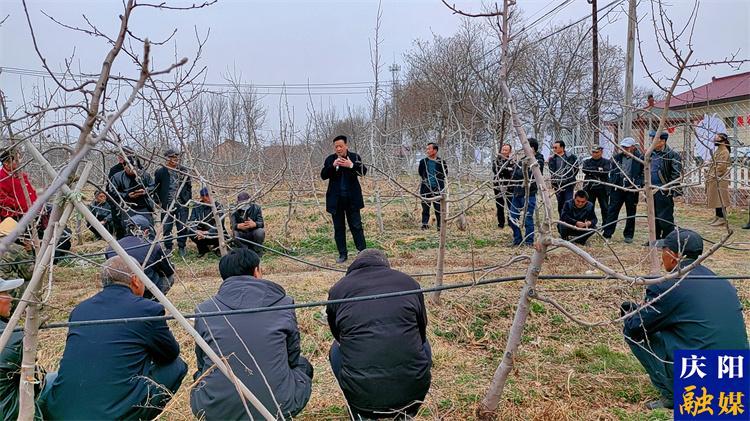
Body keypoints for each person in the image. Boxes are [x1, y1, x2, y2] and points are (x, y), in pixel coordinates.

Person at [41, 255, 188, 420]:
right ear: (135, 280)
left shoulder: (80, 310)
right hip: (111, 414)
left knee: (53, 377)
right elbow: (170, 353)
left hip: (61, 411)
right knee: (177, 366)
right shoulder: (147, 310)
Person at [621, 229, 749, 410]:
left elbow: (636, 326)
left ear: (674, 256)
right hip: (736, 370)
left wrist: (635, 309)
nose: (661, 256)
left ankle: (673, 394)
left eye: (663, 251)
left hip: (701, 372)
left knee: (634, 327)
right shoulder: (722, 282)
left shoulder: (669, 287)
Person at [191, 248, 313, 420]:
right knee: (303, 366)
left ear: (224, 277)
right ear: (257, 271)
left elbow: (203, 363)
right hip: (278, 406)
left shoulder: (204, 310)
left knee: (199, 376)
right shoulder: (284, 304)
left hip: (215, 408)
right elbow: (292, 358)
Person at [327, 249, 431, 419]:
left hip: (362, 399)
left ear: (354, 267)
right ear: (386, 265)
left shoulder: (338, 289)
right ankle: (404, 414)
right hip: (413, 396)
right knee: (424, 345)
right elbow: (422, 329)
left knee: (335, 350)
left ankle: (358, 412)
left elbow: (337, 336)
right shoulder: (409, 283)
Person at [0, 278, 47, 420]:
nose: (11, 298)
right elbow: (37, 382)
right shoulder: (14, 339)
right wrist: (29, 334)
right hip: (11, 414)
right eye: (5, 293)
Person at [320, 135, 367, 263]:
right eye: (336, 147)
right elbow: (323, 175)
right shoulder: (330, 159)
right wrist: (333, 166)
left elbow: (363, 172)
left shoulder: (355, 157)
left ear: (346, 145)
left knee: (356, 226)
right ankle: (342, 254)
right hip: (336, 200)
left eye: (341, 146)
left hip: (352, 199)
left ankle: (362, 252)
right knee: (339, 228)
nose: (339, 149)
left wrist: (351, 165)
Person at [104, 215, 174, 297]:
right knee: (169, 277)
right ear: (146, 232)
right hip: (145, 290)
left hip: (118, 290)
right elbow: (168, 270)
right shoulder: (153, 247)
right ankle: (154, 300)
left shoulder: (111, 247)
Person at [603, 137, 644, 243]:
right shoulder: (617, 158)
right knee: (612, 211)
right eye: (623, 147)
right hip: (618, 188)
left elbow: (643, 173)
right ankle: (607, 233)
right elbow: (612, 172)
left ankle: (629, 235)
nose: (624, 149)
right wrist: (613, 182)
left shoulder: (640, 158)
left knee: (631, 212)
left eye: (627, 147)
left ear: (633, 147)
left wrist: (638, 183)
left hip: (632, 189)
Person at [154, 149, 192, 256]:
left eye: (176, 157)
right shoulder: (161, 172)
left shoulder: (183, 170)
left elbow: (189, 186)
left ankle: (181, 246)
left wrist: (188, 199)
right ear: (166, 158)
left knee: (182, 226)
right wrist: (157, 201)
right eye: (171, 157)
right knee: (167, 227)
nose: (174, 159)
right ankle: (168, 247)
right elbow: (156, 188)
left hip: (182, 203)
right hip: (167, 204)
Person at [508, 138, 545, 246]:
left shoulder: (538, 160)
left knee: (528, 218)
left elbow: (529, 174)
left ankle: (529, 241)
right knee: (512, 217)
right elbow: (515, 175)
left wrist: (521, 172)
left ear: (532, 148)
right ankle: (517, 239)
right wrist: (521, 172)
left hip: (529, 193)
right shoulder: (522, 160)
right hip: (517, 192)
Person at [647, 131, 682, 241]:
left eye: (654, 139)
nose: (651, 141)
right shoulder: (650, 153)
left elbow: (676, 174)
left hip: (664, 189)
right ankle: (654, 238)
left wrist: (668, 187)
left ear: (662, 141)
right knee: (652, 215)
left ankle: (668, 240)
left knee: (665, 216)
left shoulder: (672, 154)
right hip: (650, 189)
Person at [110, 154, 156, 230]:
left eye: (134, 167)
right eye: (128, 167)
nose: (131, 169)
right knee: (129, 228)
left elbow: (153, 186)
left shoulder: (144, 175)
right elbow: (112, 191)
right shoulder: (117, 177)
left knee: (148, 227)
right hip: (127, 207)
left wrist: (145, 191)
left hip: (144, 206)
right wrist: (127, 195)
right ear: (124, 166)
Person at [0, 148, 37, 220]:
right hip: (18, 218)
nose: (20, 161)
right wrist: (24, 208)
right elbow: (3, 203)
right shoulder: (2, 179)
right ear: (6, 163)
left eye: (20, 158)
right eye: (16, 159)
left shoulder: (21, 174)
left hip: (35, 212)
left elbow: (31, 193)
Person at [418, 142, 447, 230]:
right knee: (425, 208)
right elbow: (420, 173)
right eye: (427, 149)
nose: (427, 151)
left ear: (435, 150)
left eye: (429, 149)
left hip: (438, 189)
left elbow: (444, 174)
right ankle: (424, 224)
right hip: (425, 188)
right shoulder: (423, 162)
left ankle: (440, 226)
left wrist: (439, 184)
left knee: (438, 208)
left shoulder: (441, 162)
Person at [188, 187, 225, 257]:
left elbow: (220, 223)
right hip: (200, 234)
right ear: (202, 197)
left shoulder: (219, 206)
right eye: (208, 195)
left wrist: (208, 232)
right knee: (190, 232)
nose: (210, 197)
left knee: (220, 231)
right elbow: (191, 221)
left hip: (215, 234)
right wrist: (196, 231)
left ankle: (218, 248)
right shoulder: (196, 206)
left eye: (211, 195)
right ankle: (203, 250)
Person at [705, 133, 731, 227]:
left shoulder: (724, 151)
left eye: (717, 138)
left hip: (719, 179)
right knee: (716, 199)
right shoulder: (719, 150)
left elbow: (721, 167)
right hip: (714, 178)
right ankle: (717, 216)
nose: (715, 140)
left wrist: (713, 175)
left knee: (720, 199)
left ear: (723, 140)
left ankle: (722, 218)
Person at [547, 140, 579, 218]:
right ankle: (562, 220)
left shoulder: (571, 157)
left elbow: (576, 168)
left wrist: (571, 177)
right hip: (557, 185)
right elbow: (552, 171)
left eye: (556, 147)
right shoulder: (552, 159)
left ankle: (569, 219)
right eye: (553, 147)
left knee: (568, 202)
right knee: (560, 203)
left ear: (562, 147)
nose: (554, 149)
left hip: (568, 184)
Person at [581, 145, 611, 224]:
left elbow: (605, 172)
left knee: (605, 207)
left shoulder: (606, 162)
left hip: (603, 188)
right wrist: (598, 169)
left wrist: (591, 170)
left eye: (596, 152)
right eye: (593, 152)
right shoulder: (587, 161)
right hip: (590, 188)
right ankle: (591, 224)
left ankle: (606, 225)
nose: (594, 154)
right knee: (589, 208)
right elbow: (585, 170)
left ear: (601, 152)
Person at [492, 144, 514, 229]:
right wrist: (506, 169)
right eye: (503, 150)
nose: (504, 152)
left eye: (506, 150)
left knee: (510, 204)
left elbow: (511, 172)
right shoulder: (496, 160)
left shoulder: (512, 161)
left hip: (509, 185)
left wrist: (505, 169)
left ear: (509, 151)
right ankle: (501, 223)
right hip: (498, 184)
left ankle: (510, 222)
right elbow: (495, 170)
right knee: (499, 205)